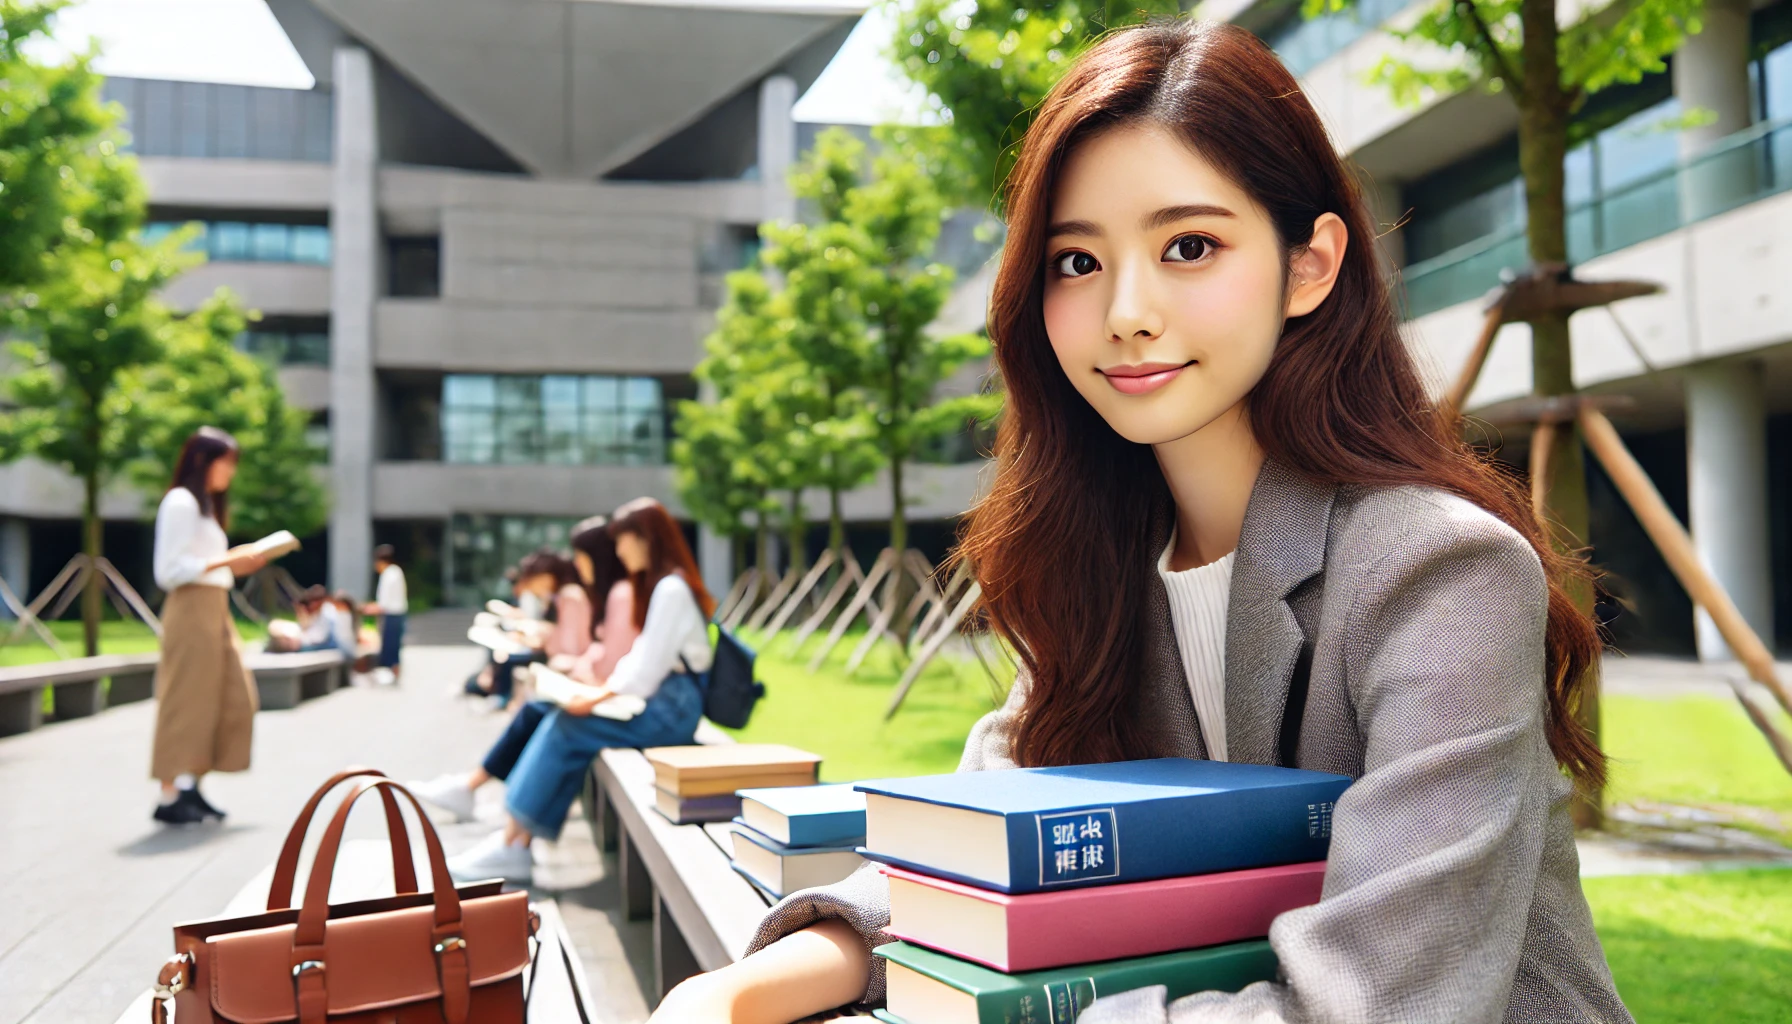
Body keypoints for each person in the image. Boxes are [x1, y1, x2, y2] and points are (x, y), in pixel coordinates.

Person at [648, 21, 1631, 1024]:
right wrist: (733, 995)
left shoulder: (1439, 570)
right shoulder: (1101, 565)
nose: (1125, 310)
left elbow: (1373, 1003)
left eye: (1189, 247)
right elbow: (974, 853)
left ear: (1311, 265)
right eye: (1076, 262)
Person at [438, 498, 714, 885]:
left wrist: (597, 697)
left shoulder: (669, 588)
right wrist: (598, 695)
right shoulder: (667, 586)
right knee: (560, 719)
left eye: (624, 541)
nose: (619, 550)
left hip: (671, 708)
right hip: (668, 703)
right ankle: (514, 842)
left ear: (645, 538)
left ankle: (514, 845)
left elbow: (648, 666)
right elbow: (642, 658)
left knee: (567, 727)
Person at [417, 516, 641, 818]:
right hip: (605, 689)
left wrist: (554, 646)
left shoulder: (608, 595)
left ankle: (501, 811)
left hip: (615, 696)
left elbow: (597, 655)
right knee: (538, 711)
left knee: (544, 715)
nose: (577, 563)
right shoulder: (605, 594)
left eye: (582, 556)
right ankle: (498, 811)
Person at [149, 426, 266, 826]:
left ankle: (191, 784)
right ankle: (174, 792)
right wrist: (230, 560)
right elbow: (169, 571)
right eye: (227, 463)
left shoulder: (205, 508)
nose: (230, 473)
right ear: (203, 460)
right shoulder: (181, 503)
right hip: (191, 606)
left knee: (231, 697)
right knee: (187, 699)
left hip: (215, 606)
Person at [363, 544, 407, 684]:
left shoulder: (388, 574)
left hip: (392, 615)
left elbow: (384, 603)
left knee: (389, 647)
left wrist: (368, 608)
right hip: (398, 614)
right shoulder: (396, 571)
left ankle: (390, 674)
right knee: (394, 647)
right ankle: (394, 673)